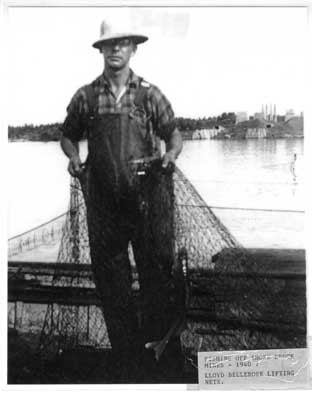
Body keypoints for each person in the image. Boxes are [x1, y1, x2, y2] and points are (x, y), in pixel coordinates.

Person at [60, 18, 183, 381]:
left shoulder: (149, 94)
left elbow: (173, 135)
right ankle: (127, 360)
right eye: (109, 44)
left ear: (133, 48)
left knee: (156, 279)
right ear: (101, 50)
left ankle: (160, 359)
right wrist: (73, 156)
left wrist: (172, 154)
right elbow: (68, 135)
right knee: (112, 284)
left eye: (122, 43)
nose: (115, 50)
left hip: (147, 204)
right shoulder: (86, 96)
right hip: (105, 208)